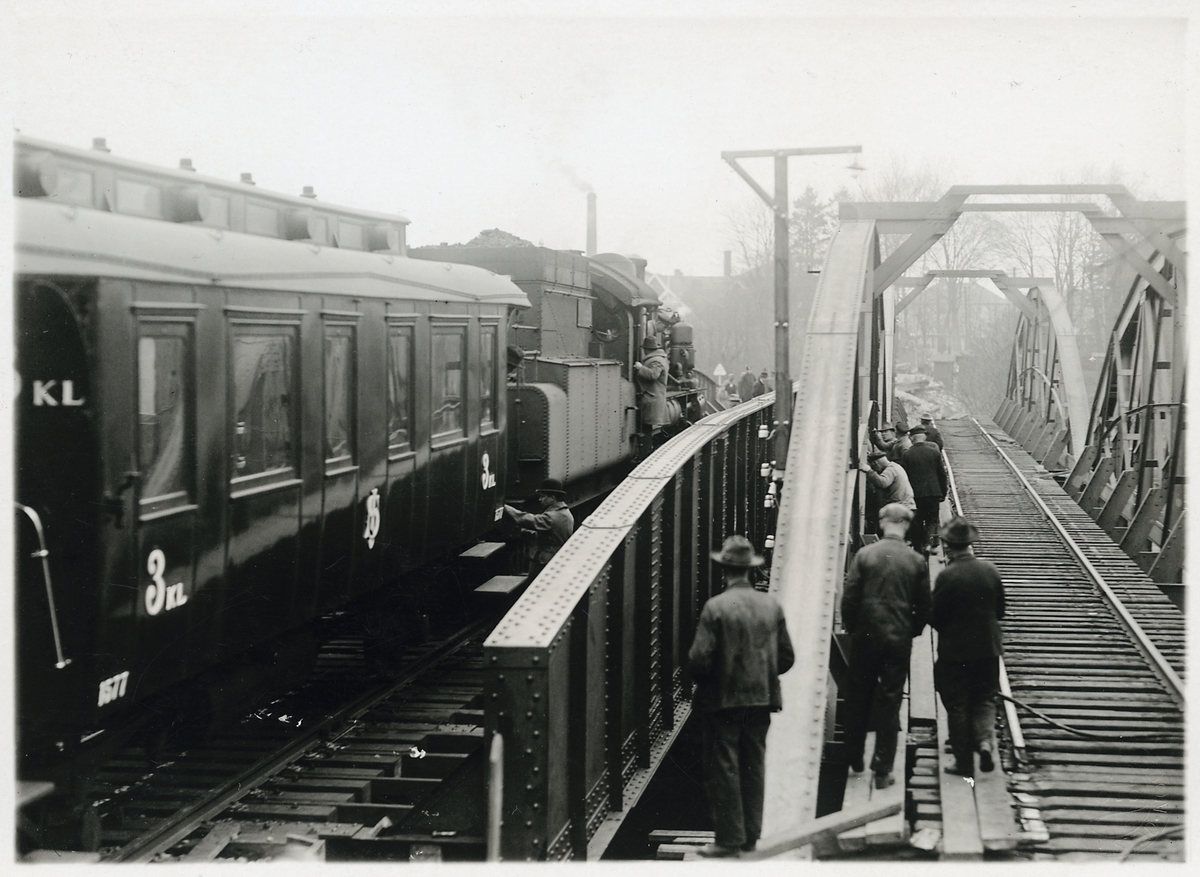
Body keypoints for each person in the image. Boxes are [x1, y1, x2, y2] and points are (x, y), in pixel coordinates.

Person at [688, 535, 794, 857]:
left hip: (722, 702)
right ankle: (751, 836)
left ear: (724, 570)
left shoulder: (716, 607)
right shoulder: (771, 605)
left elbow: (699, 659)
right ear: (749, 570)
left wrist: (714, 681)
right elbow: (787, 657)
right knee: (753, 765)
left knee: (725, 767)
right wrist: (762, 674)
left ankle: (728, 839)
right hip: (761, 700)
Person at [840, 503, 932, 789]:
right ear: (906, 525)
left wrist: (854, 629)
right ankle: (882, 770)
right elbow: (925, 607)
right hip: (898, 638)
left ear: (882, 523)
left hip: (866, 636)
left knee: (859, 696)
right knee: (890, 700)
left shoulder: (866, 555)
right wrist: (910, 630)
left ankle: (854, 757)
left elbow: (850, 598)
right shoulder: (916, 560)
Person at [931, 517, 1005, 777]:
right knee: (985, 699)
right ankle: (984, 743)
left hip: (955, 652)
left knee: (958, 704)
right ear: (971, 544)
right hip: (988, 649)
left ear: (949, 546)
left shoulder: (947, 576)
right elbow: (1000, 611)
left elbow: (935, 616)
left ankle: (964, 765)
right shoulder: (990, 570)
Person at [503, 478, 574, 577]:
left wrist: (505, 507)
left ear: (552, 498)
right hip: (557, 556)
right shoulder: (564, 512)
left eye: (542, 497)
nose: (540, 499)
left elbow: (527, 519)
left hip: (546, 560)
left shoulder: (551, 517)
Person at [901, 424, 947, 554]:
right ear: (923, 438)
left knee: (918, 520)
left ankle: (918, 549)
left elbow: (905, 477)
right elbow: (942, 475)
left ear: (912, 438)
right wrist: (943, 492)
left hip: (915, 494)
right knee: (932, 520)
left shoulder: (907, 454)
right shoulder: (934, 452)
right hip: (933, 492)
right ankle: (928, 543)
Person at [633, 336, 669, 456]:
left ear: (647, 349)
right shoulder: (659, 358)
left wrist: (640, 368)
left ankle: (646, 454)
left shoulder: (656, 361)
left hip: (651, 399)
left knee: (646, 429)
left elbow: (654, 375)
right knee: (647, 429)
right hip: (651, 398)